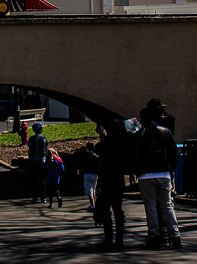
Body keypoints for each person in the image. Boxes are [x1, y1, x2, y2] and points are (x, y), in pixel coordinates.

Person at [135, 107, 182, 250]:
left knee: (151, 207)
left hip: (146, 174)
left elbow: (135, 156)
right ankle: (175, 235)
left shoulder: (139, 135)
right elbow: (174, 152)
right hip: (163, 173)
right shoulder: (165, 132)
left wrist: (137, 171)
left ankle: (154, 236)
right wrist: (170, 169)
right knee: (167, 205)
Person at [95, 119, 129, 250]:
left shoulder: (105, 145)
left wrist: (99, 185)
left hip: (107, 180)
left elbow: (103, 165)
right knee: (118, 210)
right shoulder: (123, 143)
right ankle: (119, 239)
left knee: (106, 211)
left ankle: (108, 238)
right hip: (118, 179)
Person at [28, 122, 48, 203]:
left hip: (34, 160)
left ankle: (34, 196)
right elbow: (46, 149)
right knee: (42, 179)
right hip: (42, 160)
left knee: (33, 179)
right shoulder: (44, 139)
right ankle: (43, 197)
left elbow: (30, 150)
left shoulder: (31, 139)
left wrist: (30, 158)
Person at [78, 141, 100, 211]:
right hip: (95, 174)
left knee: (89, 191)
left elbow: (81, 166)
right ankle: (94, 204)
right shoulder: (96, 157)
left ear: (86, 148)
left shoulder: (84, 157)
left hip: (87, 174)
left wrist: (80, 171)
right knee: (93, 190)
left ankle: (92, 205)